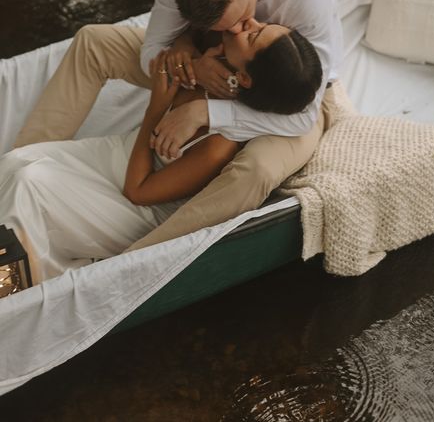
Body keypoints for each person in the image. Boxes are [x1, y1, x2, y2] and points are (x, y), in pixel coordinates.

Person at [13, 0, 343, 248]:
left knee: (256, 169)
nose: (241, 27)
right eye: (222, 27)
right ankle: (25, 156)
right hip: (209, 60)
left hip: (294, 100)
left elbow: (301, 111)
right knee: (93, 42)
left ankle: (143, 259)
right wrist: (193, 61)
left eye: (242, 20)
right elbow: (154, 50)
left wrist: (206, 112)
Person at [1, 21, 323, 284]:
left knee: (30, 184)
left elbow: (137, 190)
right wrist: (189, 57)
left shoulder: (218, 146)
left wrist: (156, 107)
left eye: (253, 35)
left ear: (245, 78)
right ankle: (15, 255)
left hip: (135, 204)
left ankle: (15, 283)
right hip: (117, 155)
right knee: (15, 163)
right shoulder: (214, 62)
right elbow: (183, 25)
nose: (248, 23)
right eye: (262, 23)